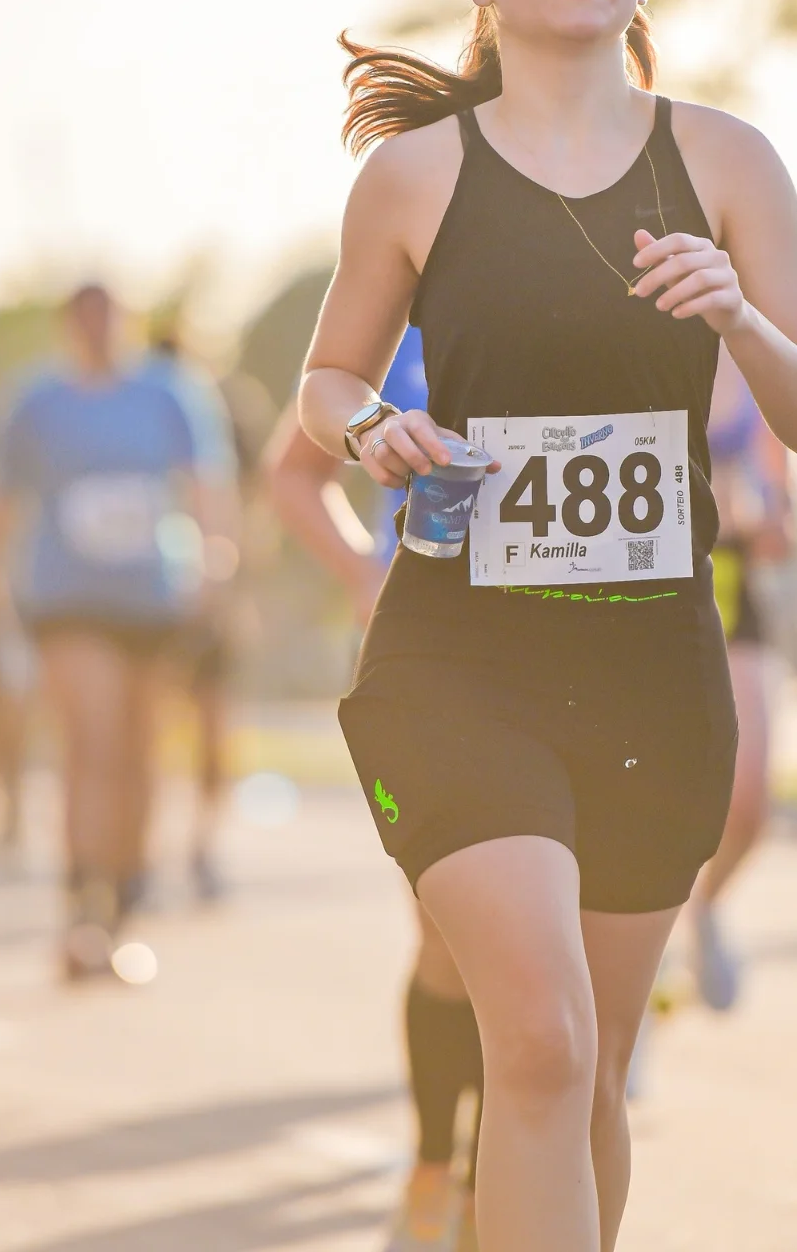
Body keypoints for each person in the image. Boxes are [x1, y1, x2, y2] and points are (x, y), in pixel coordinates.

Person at [298, 0, 797, 1252]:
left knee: (594, 1067)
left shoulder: (726, 162)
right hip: (459, 658)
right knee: (537, 1044)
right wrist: (371, 433)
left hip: (654, 670)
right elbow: (327, 384)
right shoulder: (416, 178)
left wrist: (737, 311)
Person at [269, 324, 485, 1252]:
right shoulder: (395, 316)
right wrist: (365, 569)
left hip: (572, 645)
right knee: (448, 936)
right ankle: (437, 1164)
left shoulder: (579, 267)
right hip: (431, 655)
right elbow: (292, 471)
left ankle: (496, 1173)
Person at [0, 283, 236, 978]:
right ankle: (81, 906)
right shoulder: (36, 401)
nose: (99, 331)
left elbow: (207, 486)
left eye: (111, 318)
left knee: (138, 751)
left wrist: (218, 565)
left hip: (153, 601)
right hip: (67, 600)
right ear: (68, 326)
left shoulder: (168, 394)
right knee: (90, 743)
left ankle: (125, 900)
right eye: (86, 319)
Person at [682, 343, 792, 1010]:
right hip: (647, 568)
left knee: (749, 799)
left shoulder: (755, 354)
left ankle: (707, 907)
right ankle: (622, 1011)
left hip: (733, 573)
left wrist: (776, 519)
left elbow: (783, 497)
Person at [139, 320, 242, 900]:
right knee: (155, 728)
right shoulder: (135, 416)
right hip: (157, 595)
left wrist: (227, 566)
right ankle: (149, 854)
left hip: (211, 588)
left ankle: (200, 849)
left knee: (208, 729)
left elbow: (241, 496)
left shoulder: (225, 411)